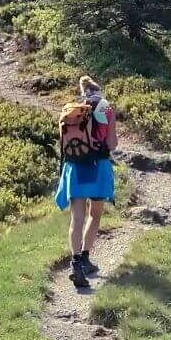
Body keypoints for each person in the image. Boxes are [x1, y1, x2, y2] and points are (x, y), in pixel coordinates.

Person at [54, 75, 117, 288]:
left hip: (75, 168)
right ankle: (86, 257)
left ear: (83, 92)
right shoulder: (106, 109)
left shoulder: (73, 111)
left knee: (77, 218)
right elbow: (112, 143)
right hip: (98, 168)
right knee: (95, 214)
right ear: (99, 91)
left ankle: (76, 264)